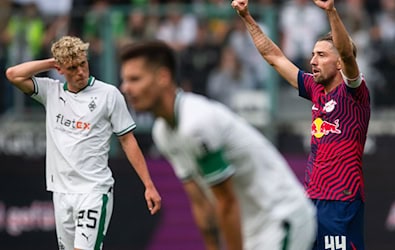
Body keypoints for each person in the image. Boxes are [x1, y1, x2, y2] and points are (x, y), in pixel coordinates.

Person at [119, 40, 316, 250]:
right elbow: (202, 204)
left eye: (135, 79)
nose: (125, 88)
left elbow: (226, 203)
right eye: (125, 80)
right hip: (253, 230)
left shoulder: (196, 123)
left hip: (280, 217)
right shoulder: (163, 133)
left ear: (163, 77)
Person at [231, 0, 370, 249]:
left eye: (322, 55)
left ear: (339, 63)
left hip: (341, 200)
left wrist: (330, 12)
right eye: (313, 54)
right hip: (311, 201)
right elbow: (273, 57)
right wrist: (247, 17)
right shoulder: (315, 88)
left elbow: (347, 52)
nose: (313, 60)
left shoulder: (354, 93)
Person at [5, 36, 161, 250]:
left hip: (93, 191)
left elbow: (127, 140)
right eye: (72, 68)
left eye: (83, 64)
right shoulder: (51, 92)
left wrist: (149, 185)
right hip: (61, 192)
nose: (80, 72)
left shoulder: (109, 95)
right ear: (60, 70)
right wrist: (52, 62)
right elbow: (13, 74)